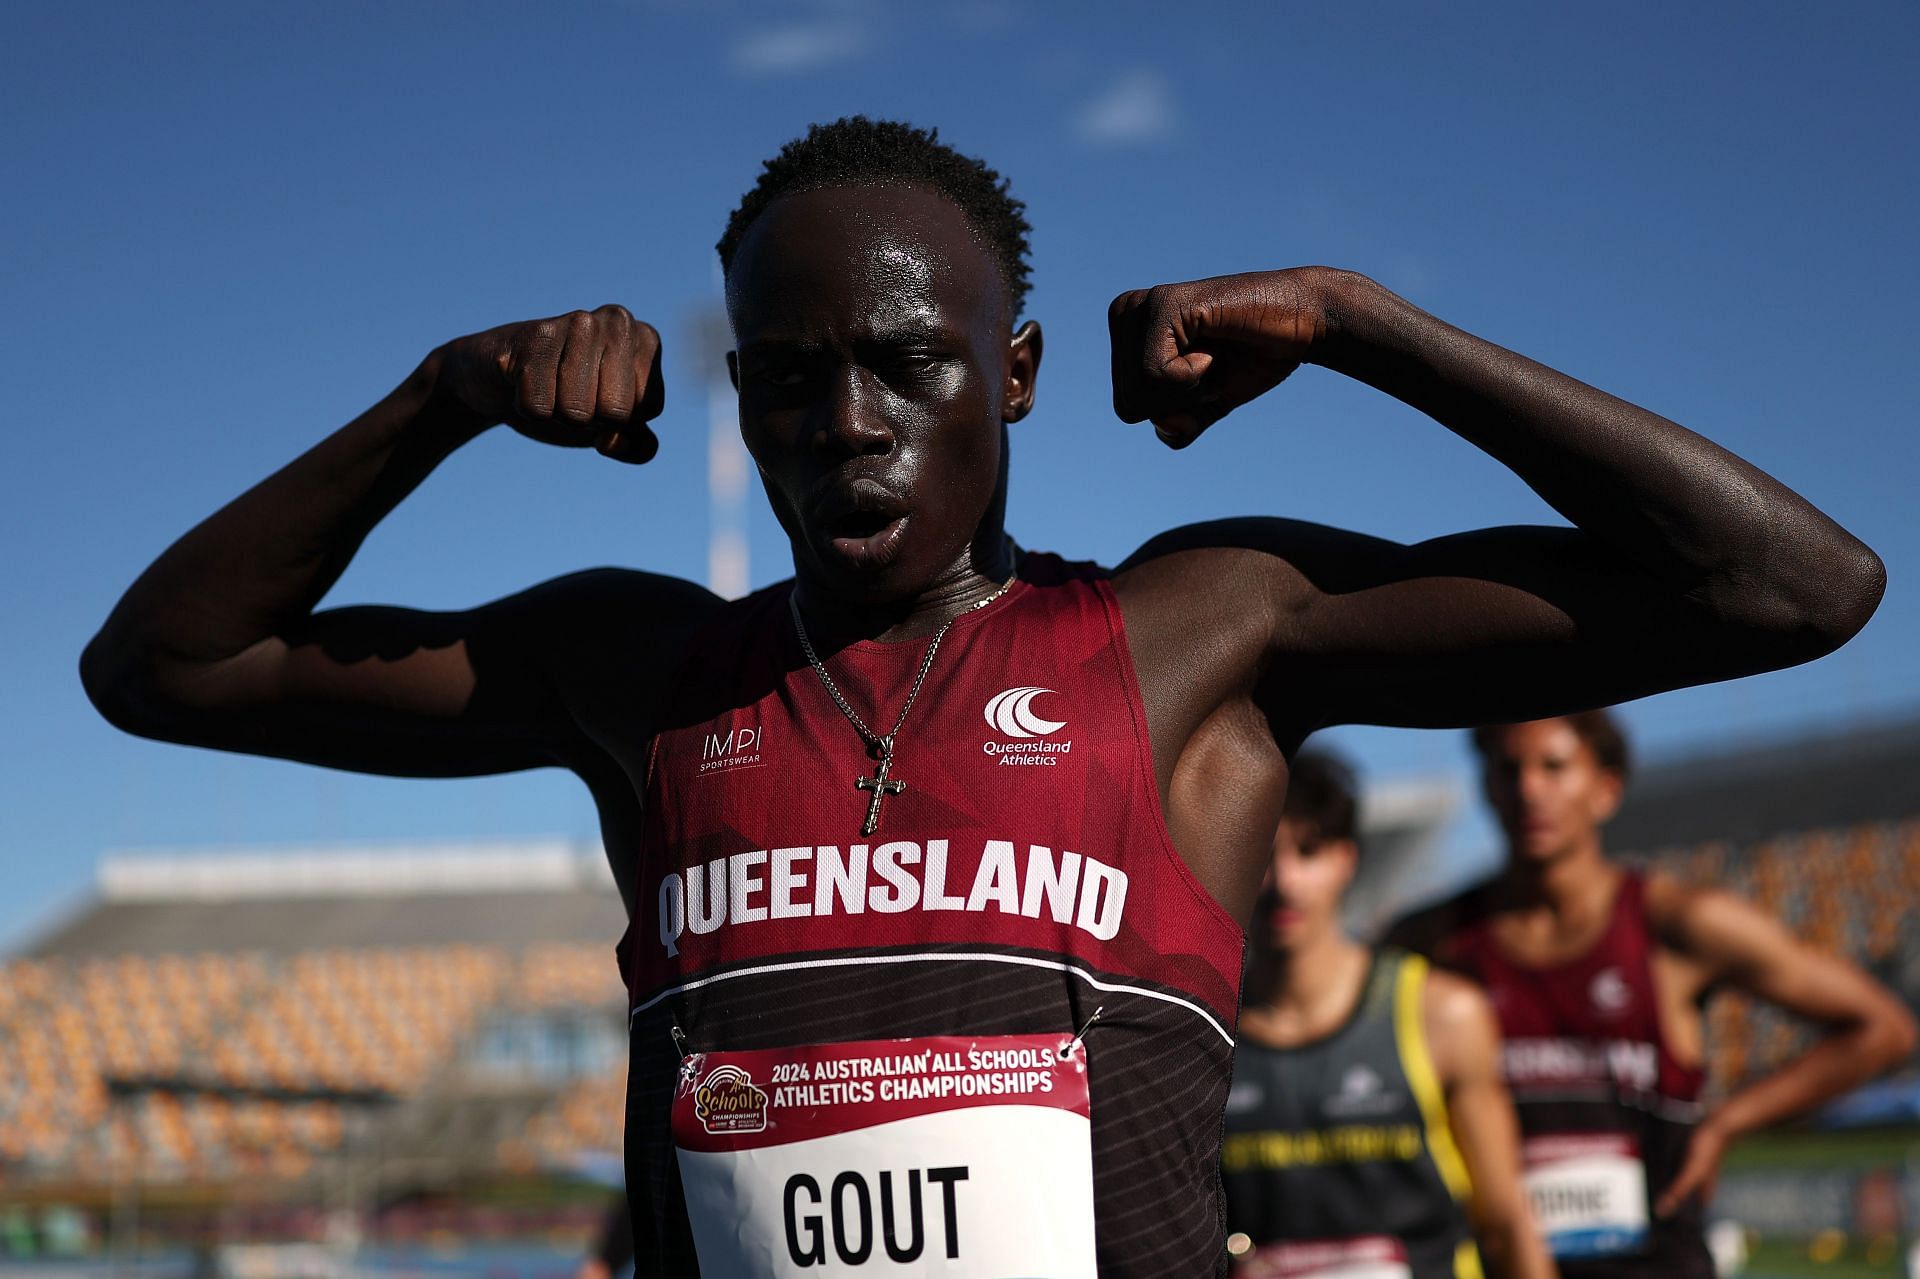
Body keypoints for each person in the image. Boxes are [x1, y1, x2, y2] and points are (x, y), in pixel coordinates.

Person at [80, 116, 1886, 1277]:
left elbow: (1792, 585)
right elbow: (161, 665)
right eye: (787, 379)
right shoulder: (642, 664)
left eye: (909, 361)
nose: (847, 423)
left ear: (1013, 370)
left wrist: (1362, 323)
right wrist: (441, 397)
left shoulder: (1195, 635)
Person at [1391, 712, 1916, 1278]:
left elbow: (1883, 1029)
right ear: (1486, 787)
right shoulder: (1436, 941)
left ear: (1606, 789)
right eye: (1508, 769)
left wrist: (1729, 1121)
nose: (1529, 789)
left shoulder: (1678, 923)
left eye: (1555, 767)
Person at [1225, 753, 1554, 1279]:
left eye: (1308, 851)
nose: (1285, 881)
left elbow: (1508, 1223)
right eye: (1260, 855)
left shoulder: (1442, 1013)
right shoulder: (1201, 1033)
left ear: (1346, 860)